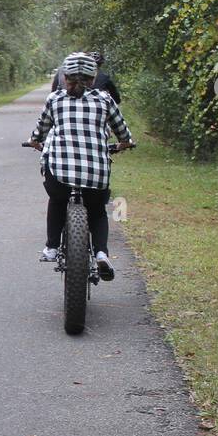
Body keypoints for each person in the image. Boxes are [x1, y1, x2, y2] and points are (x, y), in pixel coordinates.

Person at [30, 53, 134, 280]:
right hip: (96, 176)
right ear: (93, 76)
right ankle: (101, 253)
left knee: (57, 200)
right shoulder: (105, 100)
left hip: (59, 175)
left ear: (64, 77)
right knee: (97, 211)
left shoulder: (55, 99)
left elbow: (41, 130)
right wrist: (125, 143)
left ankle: (51, 247)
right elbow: (123, 132)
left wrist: (34, 142)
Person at [51, 50, 121, 105]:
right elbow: (116, 99)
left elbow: (54, 88)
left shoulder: (54, 98)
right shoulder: (105, 98)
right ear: (93, 79)